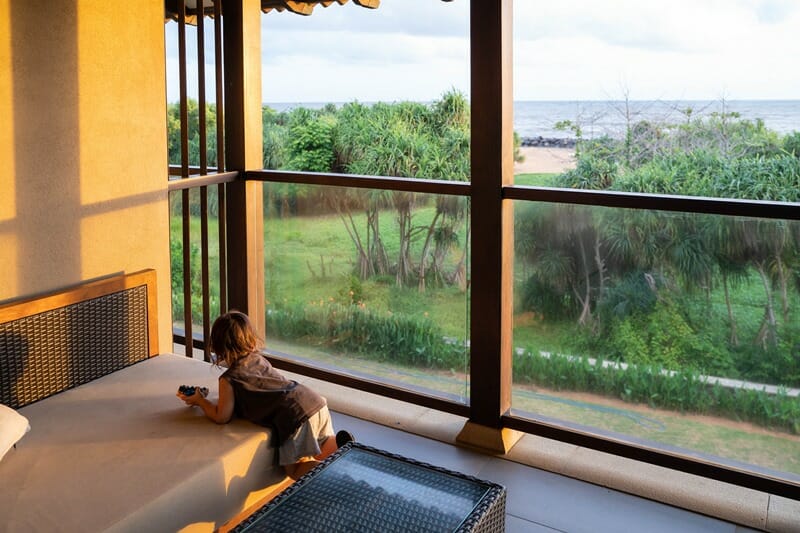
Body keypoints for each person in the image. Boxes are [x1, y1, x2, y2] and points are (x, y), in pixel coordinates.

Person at [177, 310, 353, 479]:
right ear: (251, 341)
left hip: (294, 416)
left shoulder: (228, 380)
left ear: (217, 348)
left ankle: (333, 476)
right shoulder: (259, 359)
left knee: (294, 470)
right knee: (323, 441)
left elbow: (222, 416)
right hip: (314, 401)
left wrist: (200, 401)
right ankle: (342, 449)